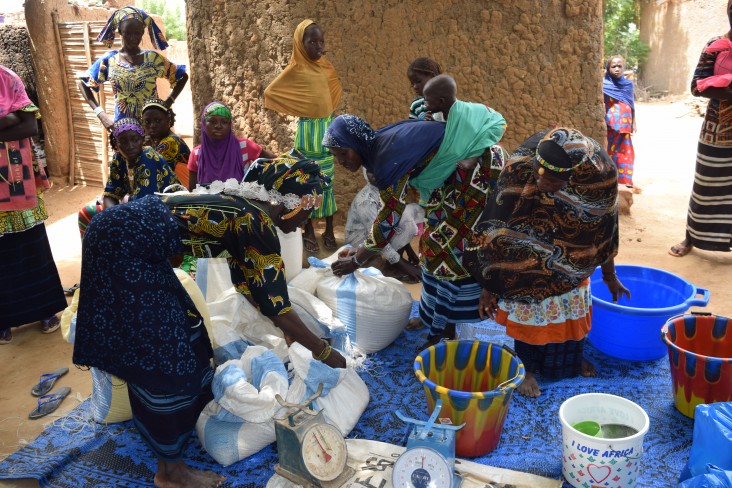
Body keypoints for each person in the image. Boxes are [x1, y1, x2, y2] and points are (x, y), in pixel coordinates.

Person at [73, 156, 345, 488]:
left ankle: (178, 422)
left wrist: (285, 328)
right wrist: (321, 350)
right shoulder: (254, 222)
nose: (306, 222)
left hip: (126, 241)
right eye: (307, 212)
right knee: (166, 358)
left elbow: (250, 284)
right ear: (289, 203)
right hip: (124, 250)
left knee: (188, 332)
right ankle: (170, 473)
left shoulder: (245, 209)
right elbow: (274, 303)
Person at [324, 74, 507, 349]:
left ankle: (443, 332)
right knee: (431, 246)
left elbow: (387, 221)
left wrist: (358, 260)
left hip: (474, 175)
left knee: (445, 251)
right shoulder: (378, 148)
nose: (341, 161)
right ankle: (432, 315)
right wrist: (362, 252)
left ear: (357, 143)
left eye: (344, 153)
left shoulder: (387, 161)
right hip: (450, 179)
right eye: (336, 157)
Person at [464, 128, 630, 398]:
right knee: (527, 305)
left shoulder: (598, 177)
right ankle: (526, 367)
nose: (541, 182)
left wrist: (609, 276)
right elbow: (497, 228)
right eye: (539, 173)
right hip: (526, 255)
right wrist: (490, 286)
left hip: (574, 260)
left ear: (573, 174)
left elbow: (604, 230)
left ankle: (570, 360)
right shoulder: (522, 168)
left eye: (552, 179)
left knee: (567, 317)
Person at [0, 65, 66, 343]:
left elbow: (29, 125)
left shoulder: (8, 78)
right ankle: (4, 320)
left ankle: (45, 311)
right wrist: (8, 119)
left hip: (17, 179)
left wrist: (16, 119)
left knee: (32, 246)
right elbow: (18, 123)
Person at [264, 19, 342, 254]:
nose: (319, 47)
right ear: (300, 44)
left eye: (321, 42)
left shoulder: (326, 66)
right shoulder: (296, 69)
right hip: (308, 134)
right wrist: (299, 106)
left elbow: (334, 89)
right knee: (307, 182)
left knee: (327, 181)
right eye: (312, 42)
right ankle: (308, 228)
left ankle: (329, 227)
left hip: (327, 129)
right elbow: (271, 91)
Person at [669, 1, 732, 258]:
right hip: (717, 131)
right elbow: (696, 86)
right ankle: (690, 237)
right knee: (705, 184)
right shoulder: (715, 45)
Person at [77, 6, 188, 130]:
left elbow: (182, 76)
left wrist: (167, 103)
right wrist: (101, 114)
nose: (132, 37)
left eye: (137, 33)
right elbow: (82, 83)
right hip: (123, 130)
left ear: (143, 32)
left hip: (152, 130)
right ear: (119, 31)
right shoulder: (109, 60)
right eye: (127, 33)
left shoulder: (153, 59)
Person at [77, 118, 180, 236]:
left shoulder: (147, 157)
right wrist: (113, 216)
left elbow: (143, 205)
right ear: (116, 144)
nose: (130, 146)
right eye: (123, 141)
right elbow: (110, 195)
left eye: (135, 139)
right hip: (133, 210)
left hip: (164, 214)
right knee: (86, 214)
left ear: (142, 139)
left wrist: (116, 218)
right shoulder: (119, 158)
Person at [344, 168, 423, 283]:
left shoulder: (389, 190)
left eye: (381, 169)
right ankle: (391, 268)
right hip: (359, 240)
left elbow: (394, 222)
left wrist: (409, 251)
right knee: (393, 224)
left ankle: (393, 264)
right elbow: (377, 237)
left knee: (410, 211)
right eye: (371, 171)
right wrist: (407, 267)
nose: (377, 175)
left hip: (376, 235)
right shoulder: (366, 201)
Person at [186, 101, 275, 190]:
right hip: (208, 203)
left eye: (224, 122)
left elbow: (276, 162)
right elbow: (193, 192)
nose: (218, 126)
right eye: (212, 121)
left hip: (240, 203)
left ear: (229, 125)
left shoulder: (244, 147)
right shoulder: (197, 154)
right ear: (203, 124)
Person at [603, 55, 637, 188]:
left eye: (619, 66)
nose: (617, 69)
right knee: (609, 150)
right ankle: (610, 178)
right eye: (613, 66)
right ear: (608, 68)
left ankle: (625, 179)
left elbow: (631, 103)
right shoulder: (604, 84)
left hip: (624, 124)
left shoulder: (628, 84)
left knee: (625, 150)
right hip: (610, 123)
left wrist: (634, 123)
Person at [141, 98, 191, 185]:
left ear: (168, 120)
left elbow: (150, 173)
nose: (152, 126)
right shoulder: (158, 141)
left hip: (181, 196)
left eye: (157, 121)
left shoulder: (170, 143)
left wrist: (147, 150)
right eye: (147, 122)